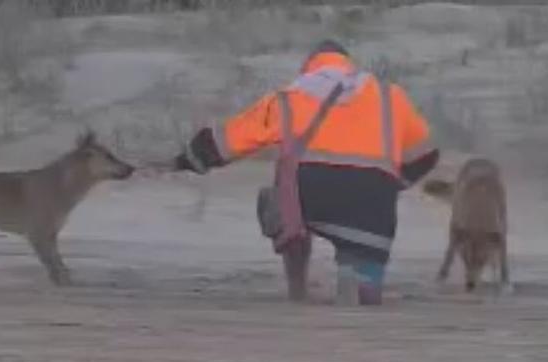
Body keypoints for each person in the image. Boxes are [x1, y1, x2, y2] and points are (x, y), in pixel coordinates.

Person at [171, 40, 439, 305]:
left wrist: (186, 159)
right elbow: (427, 154)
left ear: (309, 66)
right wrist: (393, 185)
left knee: (281, 190)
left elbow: (227, 143)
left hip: (311, 197)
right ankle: (360, 285)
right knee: (364, 280)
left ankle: (298, 288)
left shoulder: (291, 96)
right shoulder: (388, 95)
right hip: (372, 205)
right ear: (348, 63)